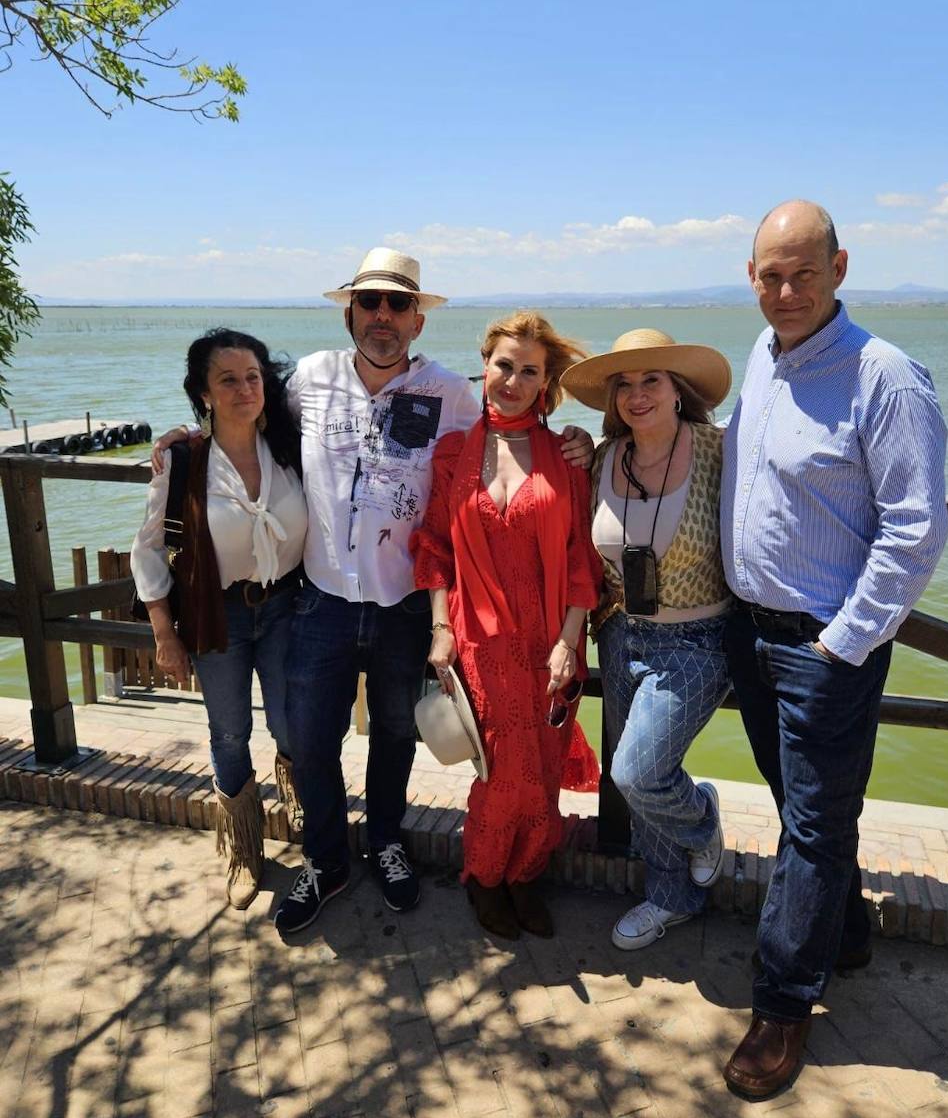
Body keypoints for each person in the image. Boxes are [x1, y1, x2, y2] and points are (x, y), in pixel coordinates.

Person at [267, 250, 594, 934]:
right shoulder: (305, 380)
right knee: (311, 740)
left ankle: (387, 842)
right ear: (349, 310)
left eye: (397, 305)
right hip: (323, 600)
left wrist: (582, 446)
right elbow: (242, 423)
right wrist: (185, 440)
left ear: (417, 320)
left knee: (396, 735)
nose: (382, 316)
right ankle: (325, 863)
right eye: (369, 302)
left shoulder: (452, 394)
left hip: (402, 609)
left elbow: (517, 445)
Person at [720, 199, 948, 1098]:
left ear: (839, 269)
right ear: (751, 278)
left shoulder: (883, 378)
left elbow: (913, 532)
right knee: (802, 808)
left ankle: (781, 1008)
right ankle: (845, 935)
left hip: (821, 647)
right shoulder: (763, 358)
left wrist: (842, 643)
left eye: (801, 273)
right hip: (751, 633)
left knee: (809, 831)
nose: (784, 291)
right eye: (769, 275)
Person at [411, 312, 603, 940]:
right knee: (499, 769)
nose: (513, 380)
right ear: (484, 365)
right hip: (477, 639)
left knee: (542, 767)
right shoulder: (453, 455)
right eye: (503, 365)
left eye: (529, 371)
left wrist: (570, 644)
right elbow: (435, 546)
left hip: (549, 642)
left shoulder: (566, 458)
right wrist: (440, 628)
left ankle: (526, 874)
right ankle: (486, 876)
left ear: (547, 383)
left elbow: (581, 558)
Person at [559, 329, 734, 951]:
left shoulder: (720, 450)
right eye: (624, 385)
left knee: (636, 771)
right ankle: (671, 897)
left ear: (679, 390)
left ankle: (703, 820)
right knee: (636, 771)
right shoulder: (604, 457)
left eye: (651, 380)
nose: (637, 395)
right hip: (619, 631)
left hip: (697, 637)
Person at [131, 329, 307, 908]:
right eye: (227, 379)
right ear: (203, 394)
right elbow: (148, 550)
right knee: (229, 732)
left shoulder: (289, 450)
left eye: (253, 376)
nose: (243, 389)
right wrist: (164, 633)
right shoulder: (185, 463)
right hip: (218, 616)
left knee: (291, 724)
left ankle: (302, 819)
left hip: (286, 607)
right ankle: (242, 847)